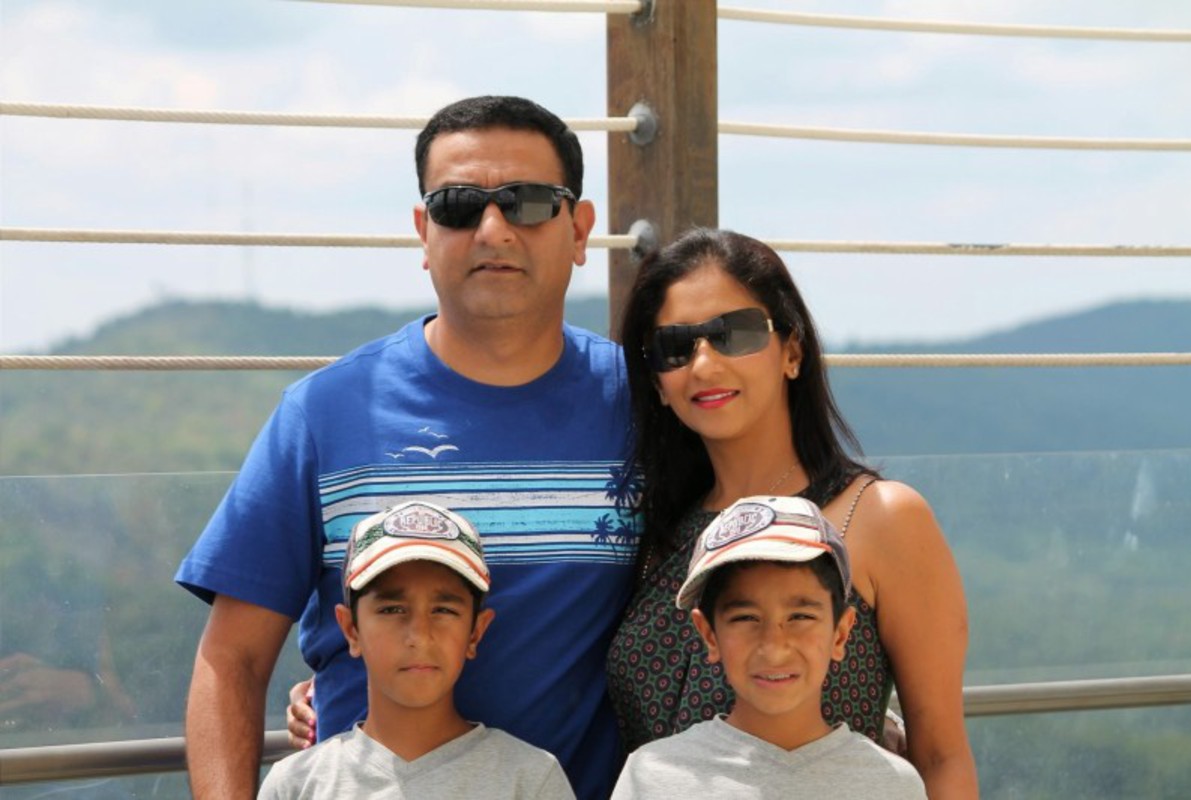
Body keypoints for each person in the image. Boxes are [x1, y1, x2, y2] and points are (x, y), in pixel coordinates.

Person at [176, 95, 636, 800]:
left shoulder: (642, 407)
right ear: (424, 232)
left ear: (578, 230)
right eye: (458, 206)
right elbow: (232, 660)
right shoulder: (323, 413)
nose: (493, 229)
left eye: (528, 203)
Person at [605, 228, 978, 798]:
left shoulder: (878, 517)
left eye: (734, 334)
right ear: (656, 381)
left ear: (793, 352)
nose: (704, 364)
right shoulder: (656, 532)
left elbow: (941, 755)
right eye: (675, 347)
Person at [612, 495, 927, 799]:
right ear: (709, 635)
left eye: (800, 617)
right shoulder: (654, 777)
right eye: (746, 618)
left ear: (841, 634)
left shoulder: (890, 784)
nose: (774, 648)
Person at [257, 500, 575, 799]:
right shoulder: (296, 784)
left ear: (475, 633)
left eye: (444, 610)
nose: (420, 636)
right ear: (351, 630)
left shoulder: (530, 779)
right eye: (392, 610)